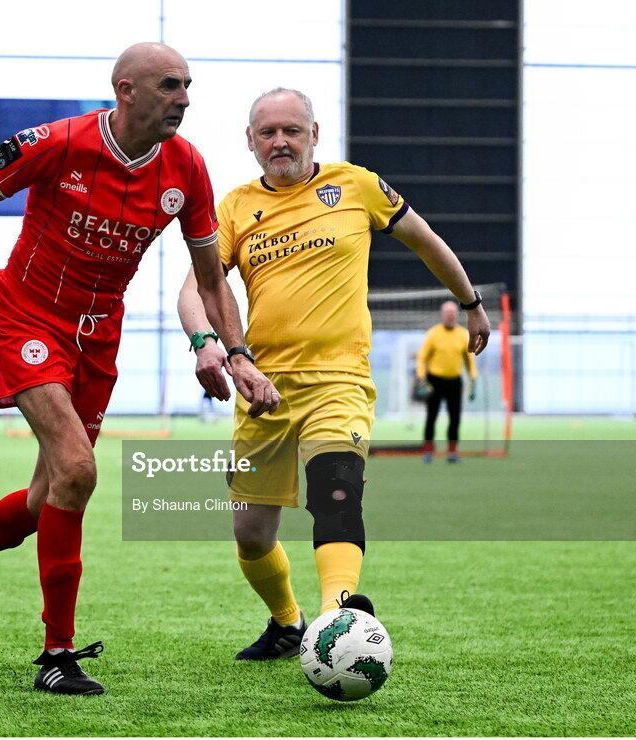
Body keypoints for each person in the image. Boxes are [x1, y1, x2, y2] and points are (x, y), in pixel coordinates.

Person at [0, 42, 278, 696]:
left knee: (44, 497)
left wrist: (236, 353)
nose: (184, 99)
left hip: (99, 338)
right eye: (169, 86)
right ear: (125, 89)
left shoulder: (187, 170)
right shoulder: (58, 143)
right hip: (26, 318)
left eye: (188, 86)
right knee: (79, 470)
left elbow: (210, 280)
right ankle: (57, 655)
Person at [177, 88, 490, 660]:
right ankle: (287, 621)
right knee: (251, 534)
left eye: (292, 130)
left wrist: (469, 301)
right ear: (250, 141)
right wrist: (207, 344)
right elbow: (197, 289)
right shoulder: (234, 208)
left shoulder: (357, 186)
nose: (280, 141)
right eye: (267, 132)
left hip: (339, 380)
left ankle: (336, 619)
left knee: (337, 490)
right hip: (263, 386)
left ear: (314, 134)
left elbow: (425, 239)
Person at [417, 300, 477, 463]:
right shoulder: (433, 334)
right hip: (434, 381)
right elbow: (422, 358)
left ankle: (452, 452)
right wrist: (421, 378)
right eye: (447, 314)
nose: (450, 317)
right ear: (442, 315)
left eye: (453, 314)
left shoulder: (462, 334)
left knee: (455, 417)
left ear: (457, 315)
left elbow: (469, 359)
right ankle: (428, 451)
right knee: (431, 417)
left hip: (455, 382)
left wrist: (473, 379)